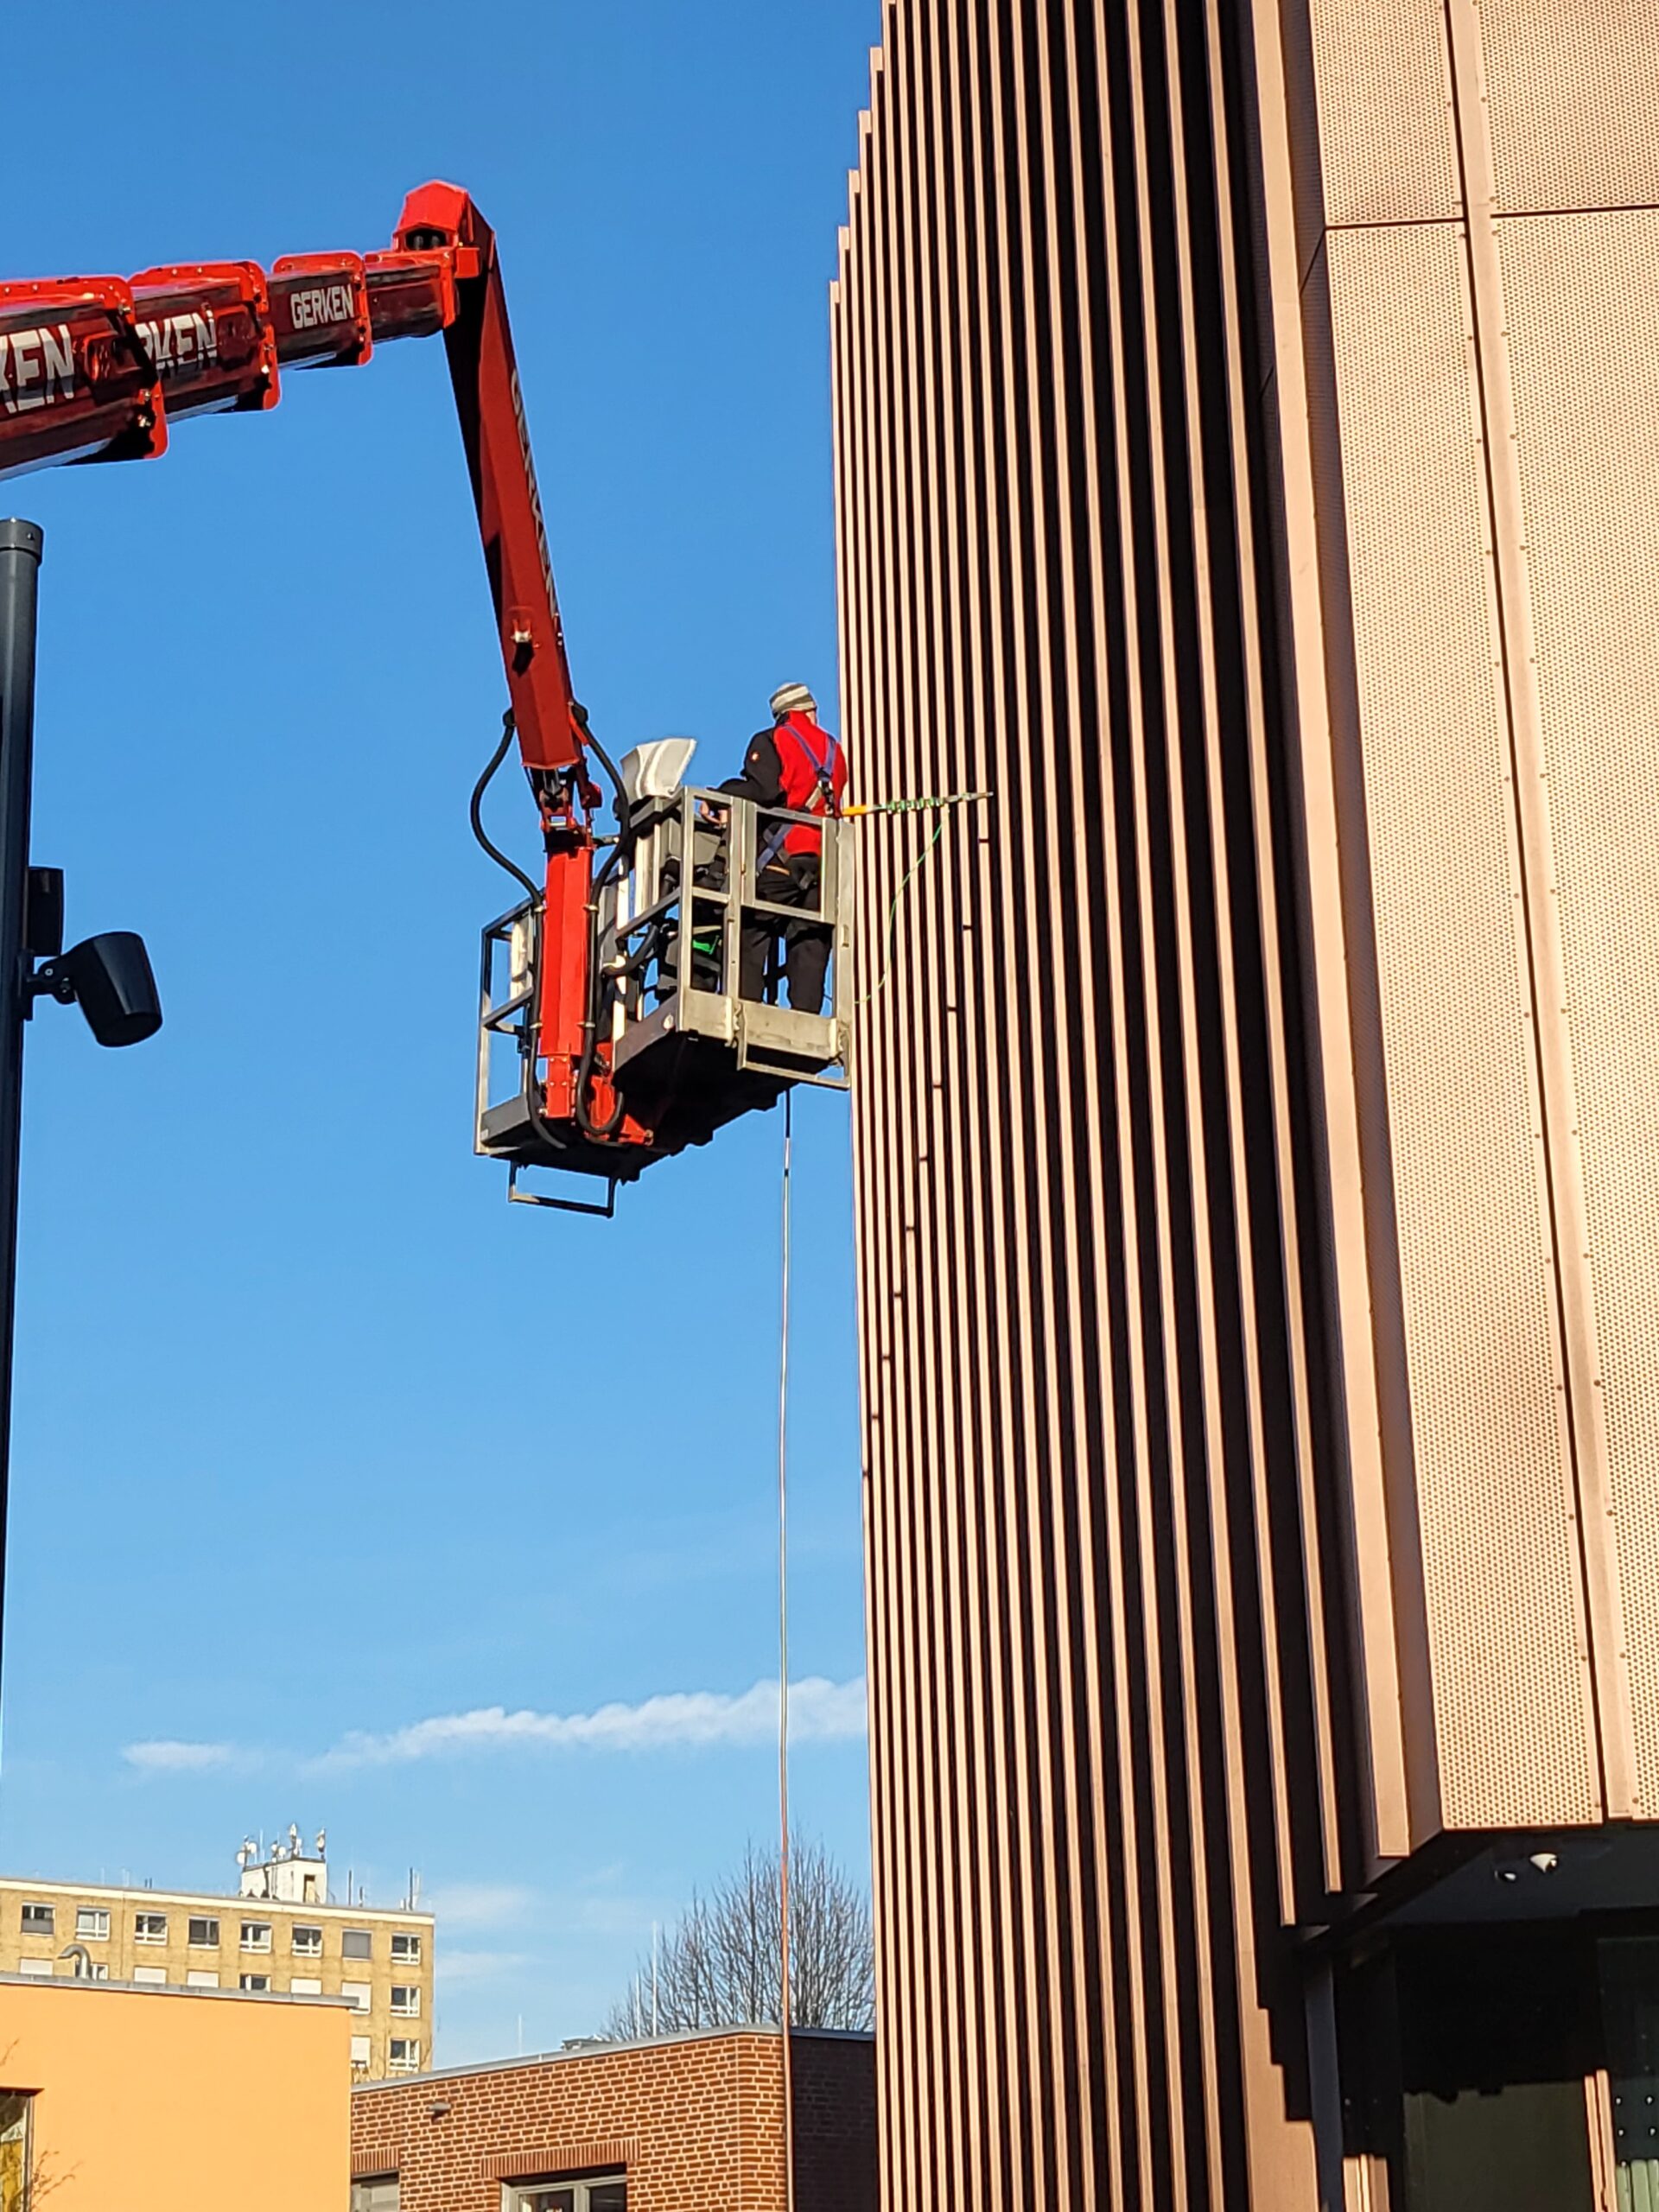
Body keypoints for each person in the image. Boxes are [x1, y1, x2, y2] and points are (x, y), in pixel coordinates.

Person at [721, 683, 849, 1014]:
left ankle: (742, 1008)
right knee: (810, 939)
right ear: (810, 710)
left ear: (781, 715)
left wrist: (723, 795)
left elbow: (763, 790)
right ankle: (806, 1016)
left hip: (781, 856)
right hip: (822, 863)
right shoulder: (834, 751)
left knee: (750, 926)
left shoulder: (773, 739)